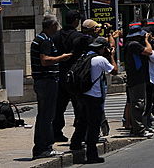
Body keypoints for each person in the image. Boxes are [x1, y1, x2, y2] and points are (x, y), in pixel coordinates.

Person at [69, 36, 117, 164]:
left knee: (82, 121)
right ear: (102, 49)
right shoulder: (100, 59)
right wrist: (111, 56)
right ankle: (91, 155)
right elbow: (115, 70)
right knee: (93, 126)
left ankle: (75, 143)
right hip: (94, 96)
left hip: (82, 94)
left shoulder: (84, 56)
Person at [31, 14, 73, 159]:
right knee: (47, 116)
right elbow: (44, 60)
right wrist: (62, 57)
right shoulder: (45, 41)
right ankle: (44, 147)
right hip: (47, 81)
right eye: (56, 25)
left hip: (43, 81)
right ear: (51, 26)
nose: (58, 28)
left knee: (44, 116)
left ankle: (43, 146)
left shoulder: (41, 39)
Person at [52, 10, 84, 143]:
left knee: (59, 107)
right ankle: (79, 133)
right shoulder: (78, 37)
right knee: (79, 106)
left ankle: (56, 132)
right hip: (75, 75)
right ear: (75, 20)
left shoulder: (56, 36)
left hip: (60, 74)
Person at [123, 26, 153, 138]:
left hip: (135, 77)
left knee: (136, 103)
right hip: (137, 78)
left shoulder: (129, 45)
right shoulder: (133, 45)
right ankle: (139, 129)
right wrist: (146, 41)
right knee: (138, 104)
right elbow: (149, 52)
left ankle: (135, 128)